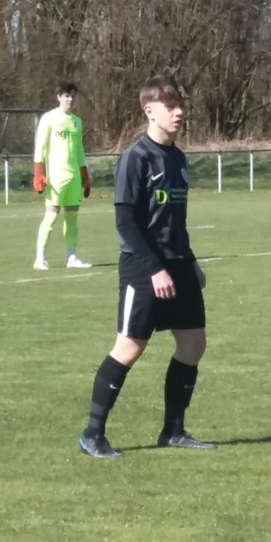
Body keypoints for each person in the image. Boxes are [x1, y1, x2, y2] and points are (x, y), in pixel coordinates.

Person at [78, 75, 213, 459]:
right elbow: (126, 224)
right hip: (143, 267)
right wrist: (154, 269)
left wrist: (191, 262)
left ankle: (173, 431)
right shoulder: (135, 159)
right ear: (149, 110)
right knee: (130, 347)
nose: (179, 112)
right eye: (170, 106)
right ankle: (92, 435)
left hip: (178, 264)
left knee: (193, 344)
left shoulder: (178, 159)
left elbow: (175, 222)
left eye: (180, 105)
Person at [33, 80, 92, 270]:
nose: (70, 99)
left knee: (72, 218)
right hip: (55, 178)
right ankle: (40, 258)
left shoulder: (77, 122)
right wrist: (38, 173)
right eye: (66, 95)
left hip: (73, 176)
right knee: (51, 216)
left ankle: (71, 257)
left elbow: (79, 151)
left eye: (73, 96)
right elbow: (40, 147)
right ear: (59, 97)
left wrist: (85, 175)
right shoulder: (49, 118)